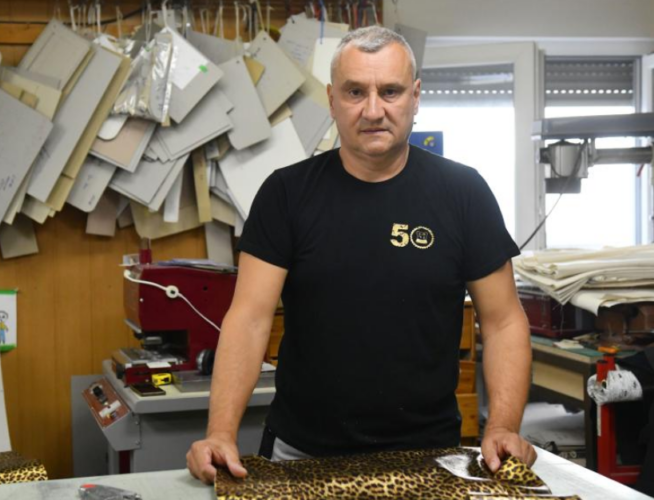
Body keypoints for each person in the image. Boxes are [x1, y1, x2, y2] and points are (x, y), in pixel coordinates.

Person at [187, 25, 535, 484]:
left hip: (430, 457)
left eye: (390, 91)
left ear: (415, 97)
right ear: (332, 100)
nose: (373, 110)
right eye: (355, 92)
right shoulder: (286, 194)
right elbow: (249, 319)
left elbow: (503, 321)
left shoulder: (464, 194)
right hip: (301, 456)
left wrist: (503, 426)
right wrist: (220, 432)